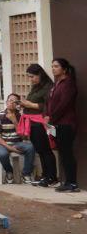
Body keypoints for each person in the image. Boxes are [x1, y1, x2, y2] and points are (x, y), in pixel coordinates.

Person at [48, 57, 80, 193]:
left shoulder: (69, 84)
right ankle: (67, 181)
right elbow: (50, 102)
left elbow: (64, 105)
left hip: (66, 124)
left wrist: (52, 118)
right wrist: (48, 117)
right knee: (62, 153)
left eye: (56, 66)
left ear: (64, 69)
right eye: (52, 66)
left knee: (67, 153)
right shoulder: (57, 83)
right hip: (56, 124)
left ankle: (72, 183)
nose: (53, 69)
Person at [24, 63, 57, 187]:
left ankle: (52, 177)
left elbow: (48, 105)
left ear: (40, 75)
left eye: (32, 76)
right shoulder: (36, 87)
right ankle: (45, 175)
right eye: (29, 77)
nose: (31, 79)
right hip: (32, 122)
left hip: (41, 122)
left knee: (45, 150)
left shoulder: (48, 87)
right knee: (40, 150)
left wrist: (29, 105)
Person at [0, 93, 35, 184]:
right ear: (6, 102)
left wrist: (15, 121)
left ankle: (26, 174)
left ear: (18, 104)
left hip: (17, 142)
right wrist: (10, 148)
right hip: (1, 143)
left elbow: (24, 137)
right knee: (3, 154)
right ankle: (9, 172)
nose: (11, 103)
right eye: (10, 100)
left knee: (30, 147)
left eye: (14, 101)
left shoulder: (21, 116)